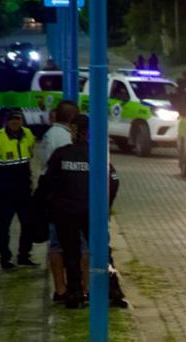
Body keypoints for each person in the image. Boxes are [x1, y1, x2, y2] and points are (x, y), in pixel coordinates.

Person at [38, 115, 125, 308]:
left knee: (71, 253)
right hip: (92, 213)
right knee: (102, 252)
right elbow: (114, 180)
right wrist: (105, 206)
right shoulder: (99, 155)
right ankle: (113, 291)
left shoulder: (61, 154)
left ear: (75, 131)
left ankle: (75, 294)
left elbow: (47, 183)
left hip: (66, 213)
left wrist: (50, 206)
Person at [0, 110, 37, 269]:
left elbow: (30, 151)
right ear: (6, 122)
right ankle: (5, 259)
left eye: (18, 119)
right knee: (3, 228)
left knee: (28, 225)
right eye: (11, 120)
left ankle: (24, 256)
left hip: (24, 191)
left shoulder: (28, 134)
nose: (15, 122)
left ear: (22, 121)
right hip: (4, 193)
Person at [37, 101, 78, 302]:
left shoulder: (49, 135)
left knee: (55, 245)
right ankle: (65, 288)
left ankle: (60, 289)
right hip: (62, 197)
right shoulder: (63, 137)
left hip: (51, 194)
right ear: (71, 119)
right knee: (63, 244)